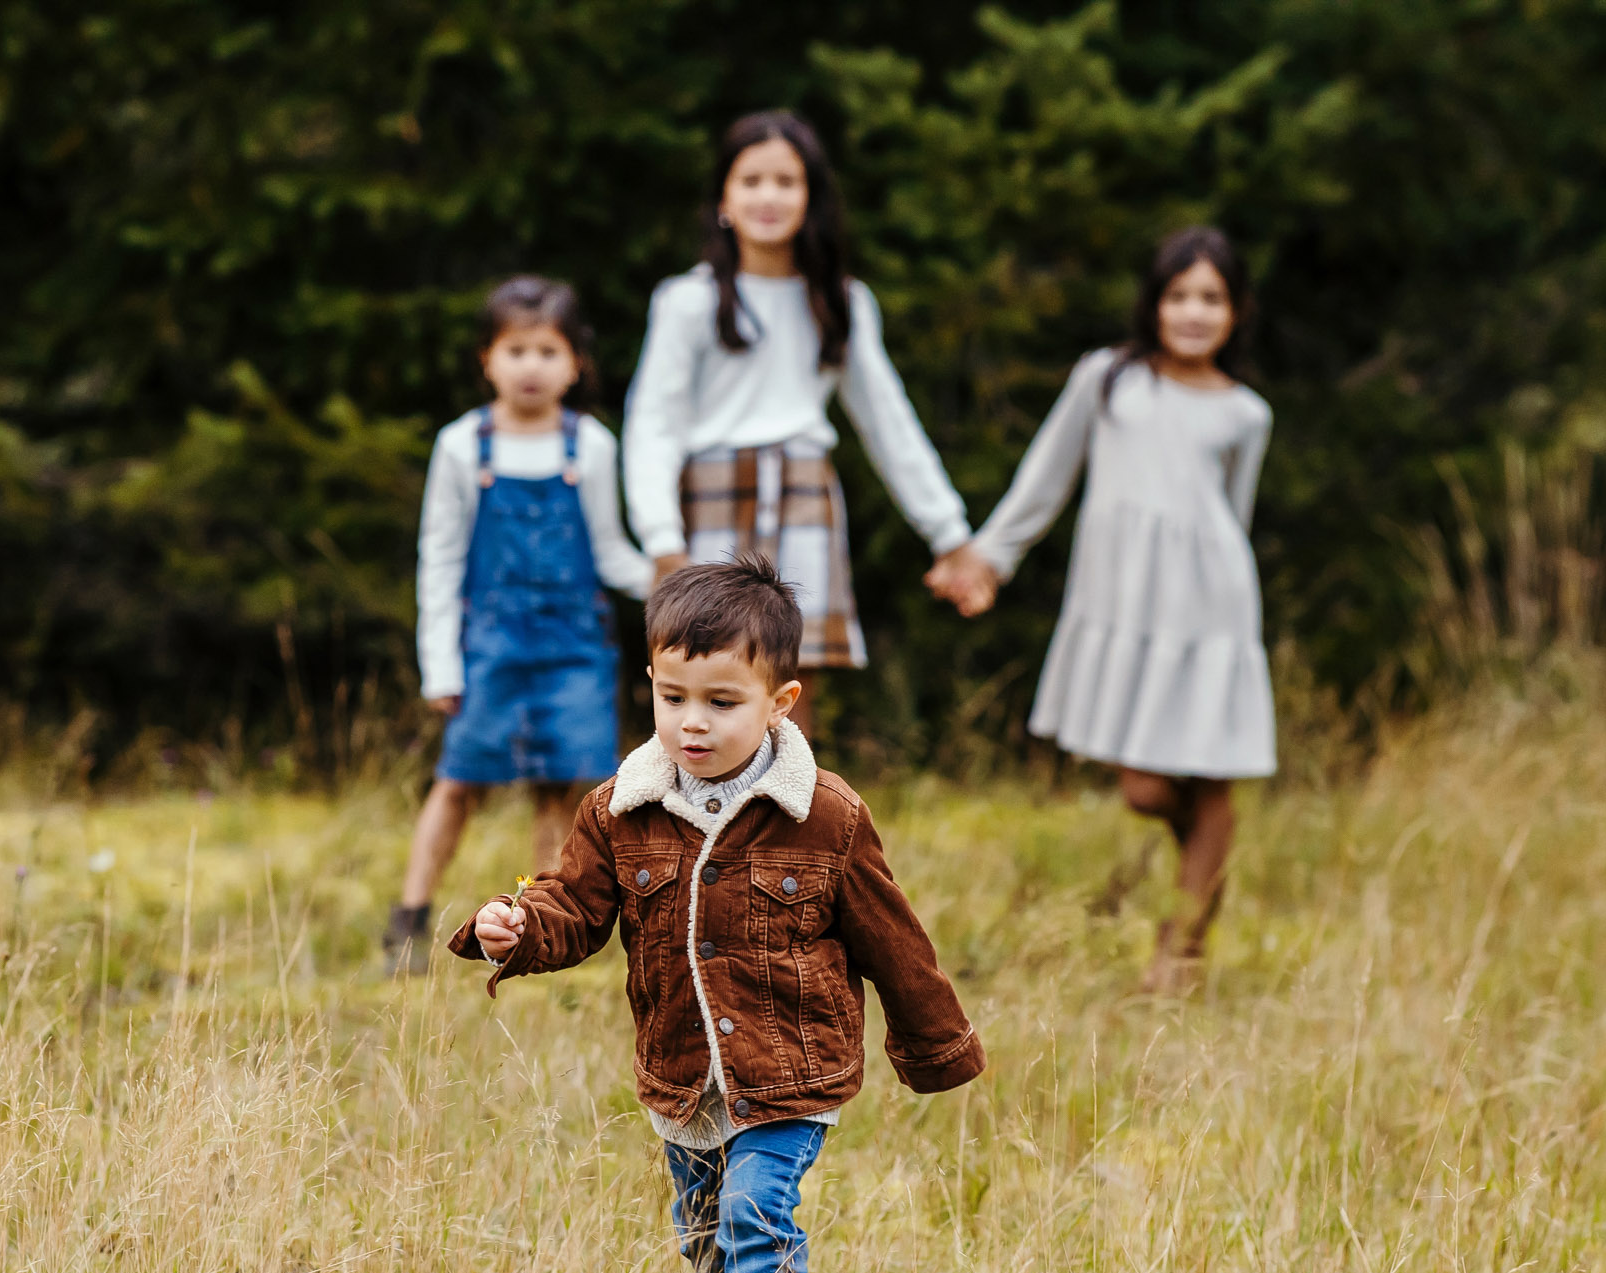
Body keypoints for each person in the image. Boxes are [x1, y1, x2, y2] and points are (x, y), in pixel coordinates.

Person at [447, 555, 985, 1273]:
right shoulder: (620, 807)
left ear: (782, 701)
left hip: (788, 1071)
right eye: (672, 696)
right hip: (681, 1073)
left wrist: (937, 1046)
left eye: (722, 702)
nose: (691, 722)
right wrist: (516, 926)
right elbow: (575, 906)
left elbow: (896, 941)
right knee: (704, 1233)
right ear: (650, 685)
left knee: (754, 1211)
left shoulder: (827, 817)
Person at [928, 227, 1274, 994]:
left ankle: (1182, 947)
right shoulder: (1108, 380)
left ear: (1236, 311)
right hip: (1123, 601)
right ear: (1153, 303)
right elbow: (1045, 477)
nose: (1192, 312)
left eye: (1210, 298)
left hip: (1210, 606)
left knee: (1212, 783)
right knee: (1146, 788)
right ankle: (1202, 867)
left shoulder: (1246, 413)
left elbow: (1235, 517)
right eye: (1178, 295)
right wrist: (987, 555)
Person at [622, 109, 975, 739]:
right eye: (751, 180)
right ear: (723, 199)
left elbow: (889, 423)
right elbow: (654, 425)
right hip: (709, 503)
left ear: (810, 198)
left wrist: (947, 531)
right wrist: (660, 537)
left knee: (790, 683)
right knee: (701, 681)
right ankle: (701, 836)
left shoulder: (842, 302)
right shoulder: (689, 302)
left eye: (786, 181)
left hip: (804, 497)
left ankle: (788, 833)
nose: (768, 196)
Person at [382, 276, 652, 976]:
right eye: (516, 350)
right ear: (487, 359)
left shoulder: (589, 445)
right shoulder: (461, 445)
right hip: (490, 648)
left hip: (574, 647)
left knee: (565, 790)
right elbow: (438, 559)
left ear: (575, 364)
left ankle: (540, 930)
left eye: (547, 350)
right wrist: (440, 663)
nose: (531, 365)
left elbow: (610, 549)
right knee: (458, 780)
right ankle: (408, 924)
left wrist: (675, 578)